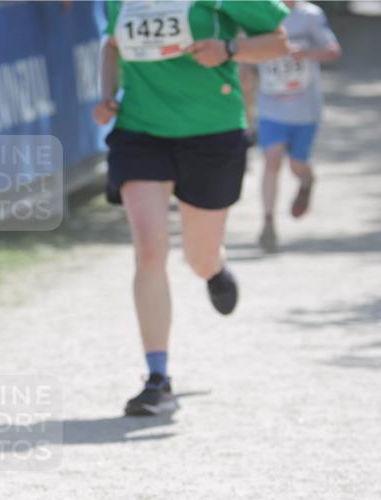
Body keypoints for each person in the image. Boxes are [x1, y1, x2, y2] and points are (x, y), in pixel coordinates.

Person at [94, 0, 289, 417]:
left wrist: (229, 50)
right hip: (139, 131)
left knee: (198, 258)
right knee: (149, 250)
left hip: (212, 132)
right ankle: (157, 378)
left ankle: (214, 269)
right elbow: (111, 44)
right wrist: (107, 95)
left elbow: (278, 42)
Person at [256, 0, 341, 253]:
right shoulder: (259, 12)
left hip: (305, 107)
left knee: (296, 165)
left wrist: (304, 54)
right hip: (270, 105)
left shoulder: (311, 15)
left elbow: (333, 50)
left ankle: (306, 182)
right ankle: (268, 222)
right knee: (271, 159)